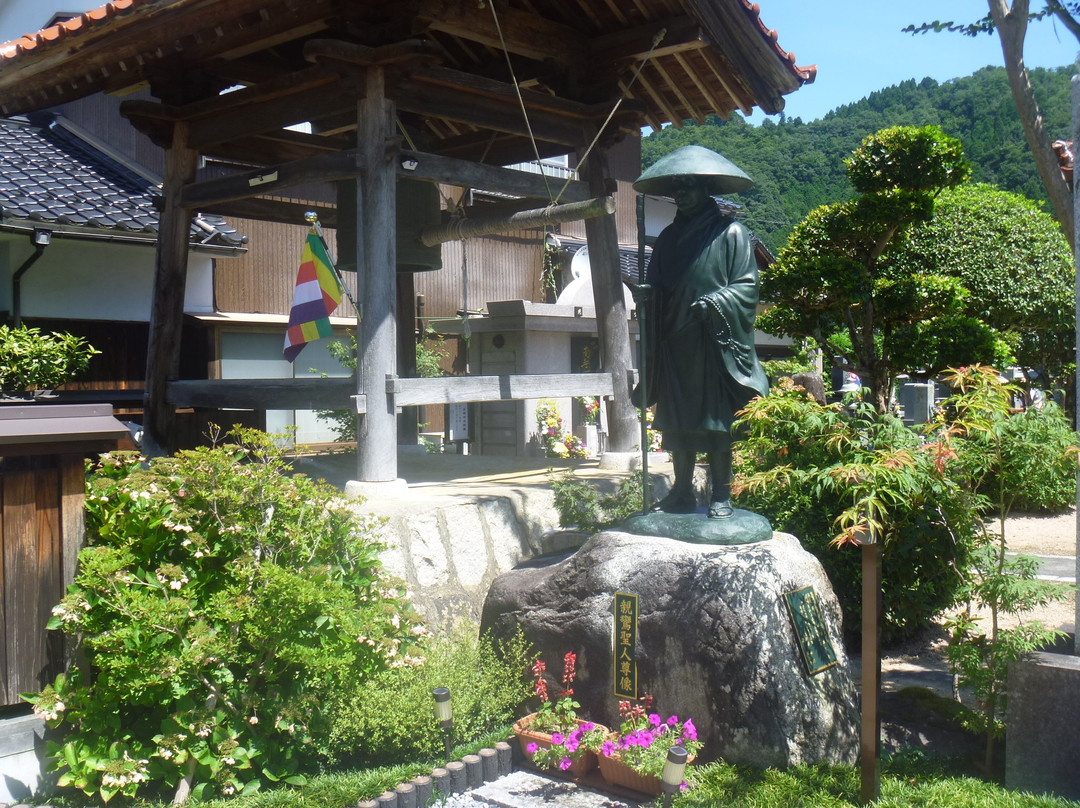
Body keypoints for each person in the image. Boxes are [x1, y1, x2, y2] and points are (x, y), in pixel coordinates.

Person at [631, 146, 769, 519]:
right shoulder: (667, 239)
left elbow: (747, 287)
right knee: (677, 422)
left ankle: (722, 494)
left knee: (715, 422)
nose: (681, 194)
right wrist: (648, 295)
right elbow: (658, 285)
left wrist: (716, 302)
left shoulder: (732, 233)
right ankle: (681, 492)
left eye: (688, 186)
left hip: (713, 343)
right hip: (675, 341)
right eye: (676, 187)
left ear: (705, 189)